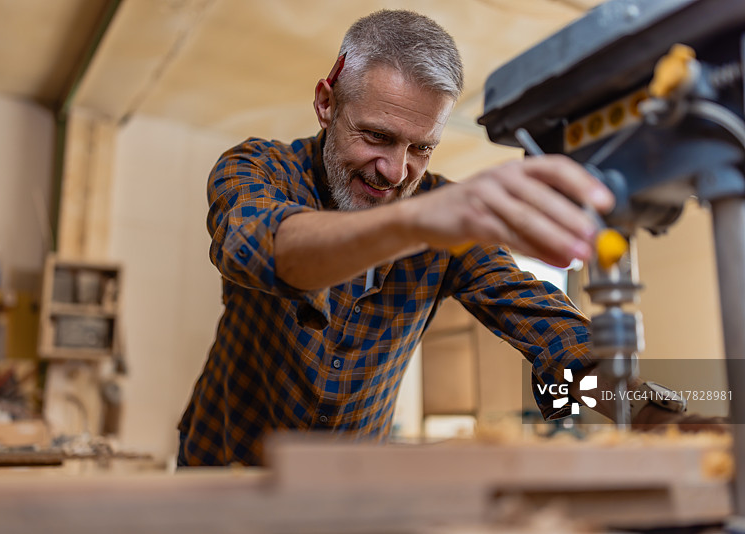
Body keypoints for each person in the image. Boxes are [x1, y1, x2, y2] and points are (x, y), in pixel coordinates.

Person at [177, 9, 705, 467]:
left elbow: (556, 341)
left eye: (421, 148)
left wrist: (658, 421)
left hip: (344, 493)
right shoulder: (257, 168)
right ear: (325, 104)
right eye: (377, 136)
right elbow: (258, 248)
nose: (394, 170)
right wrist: (416, 223)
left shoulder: (446, 220)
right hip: (222, 467)